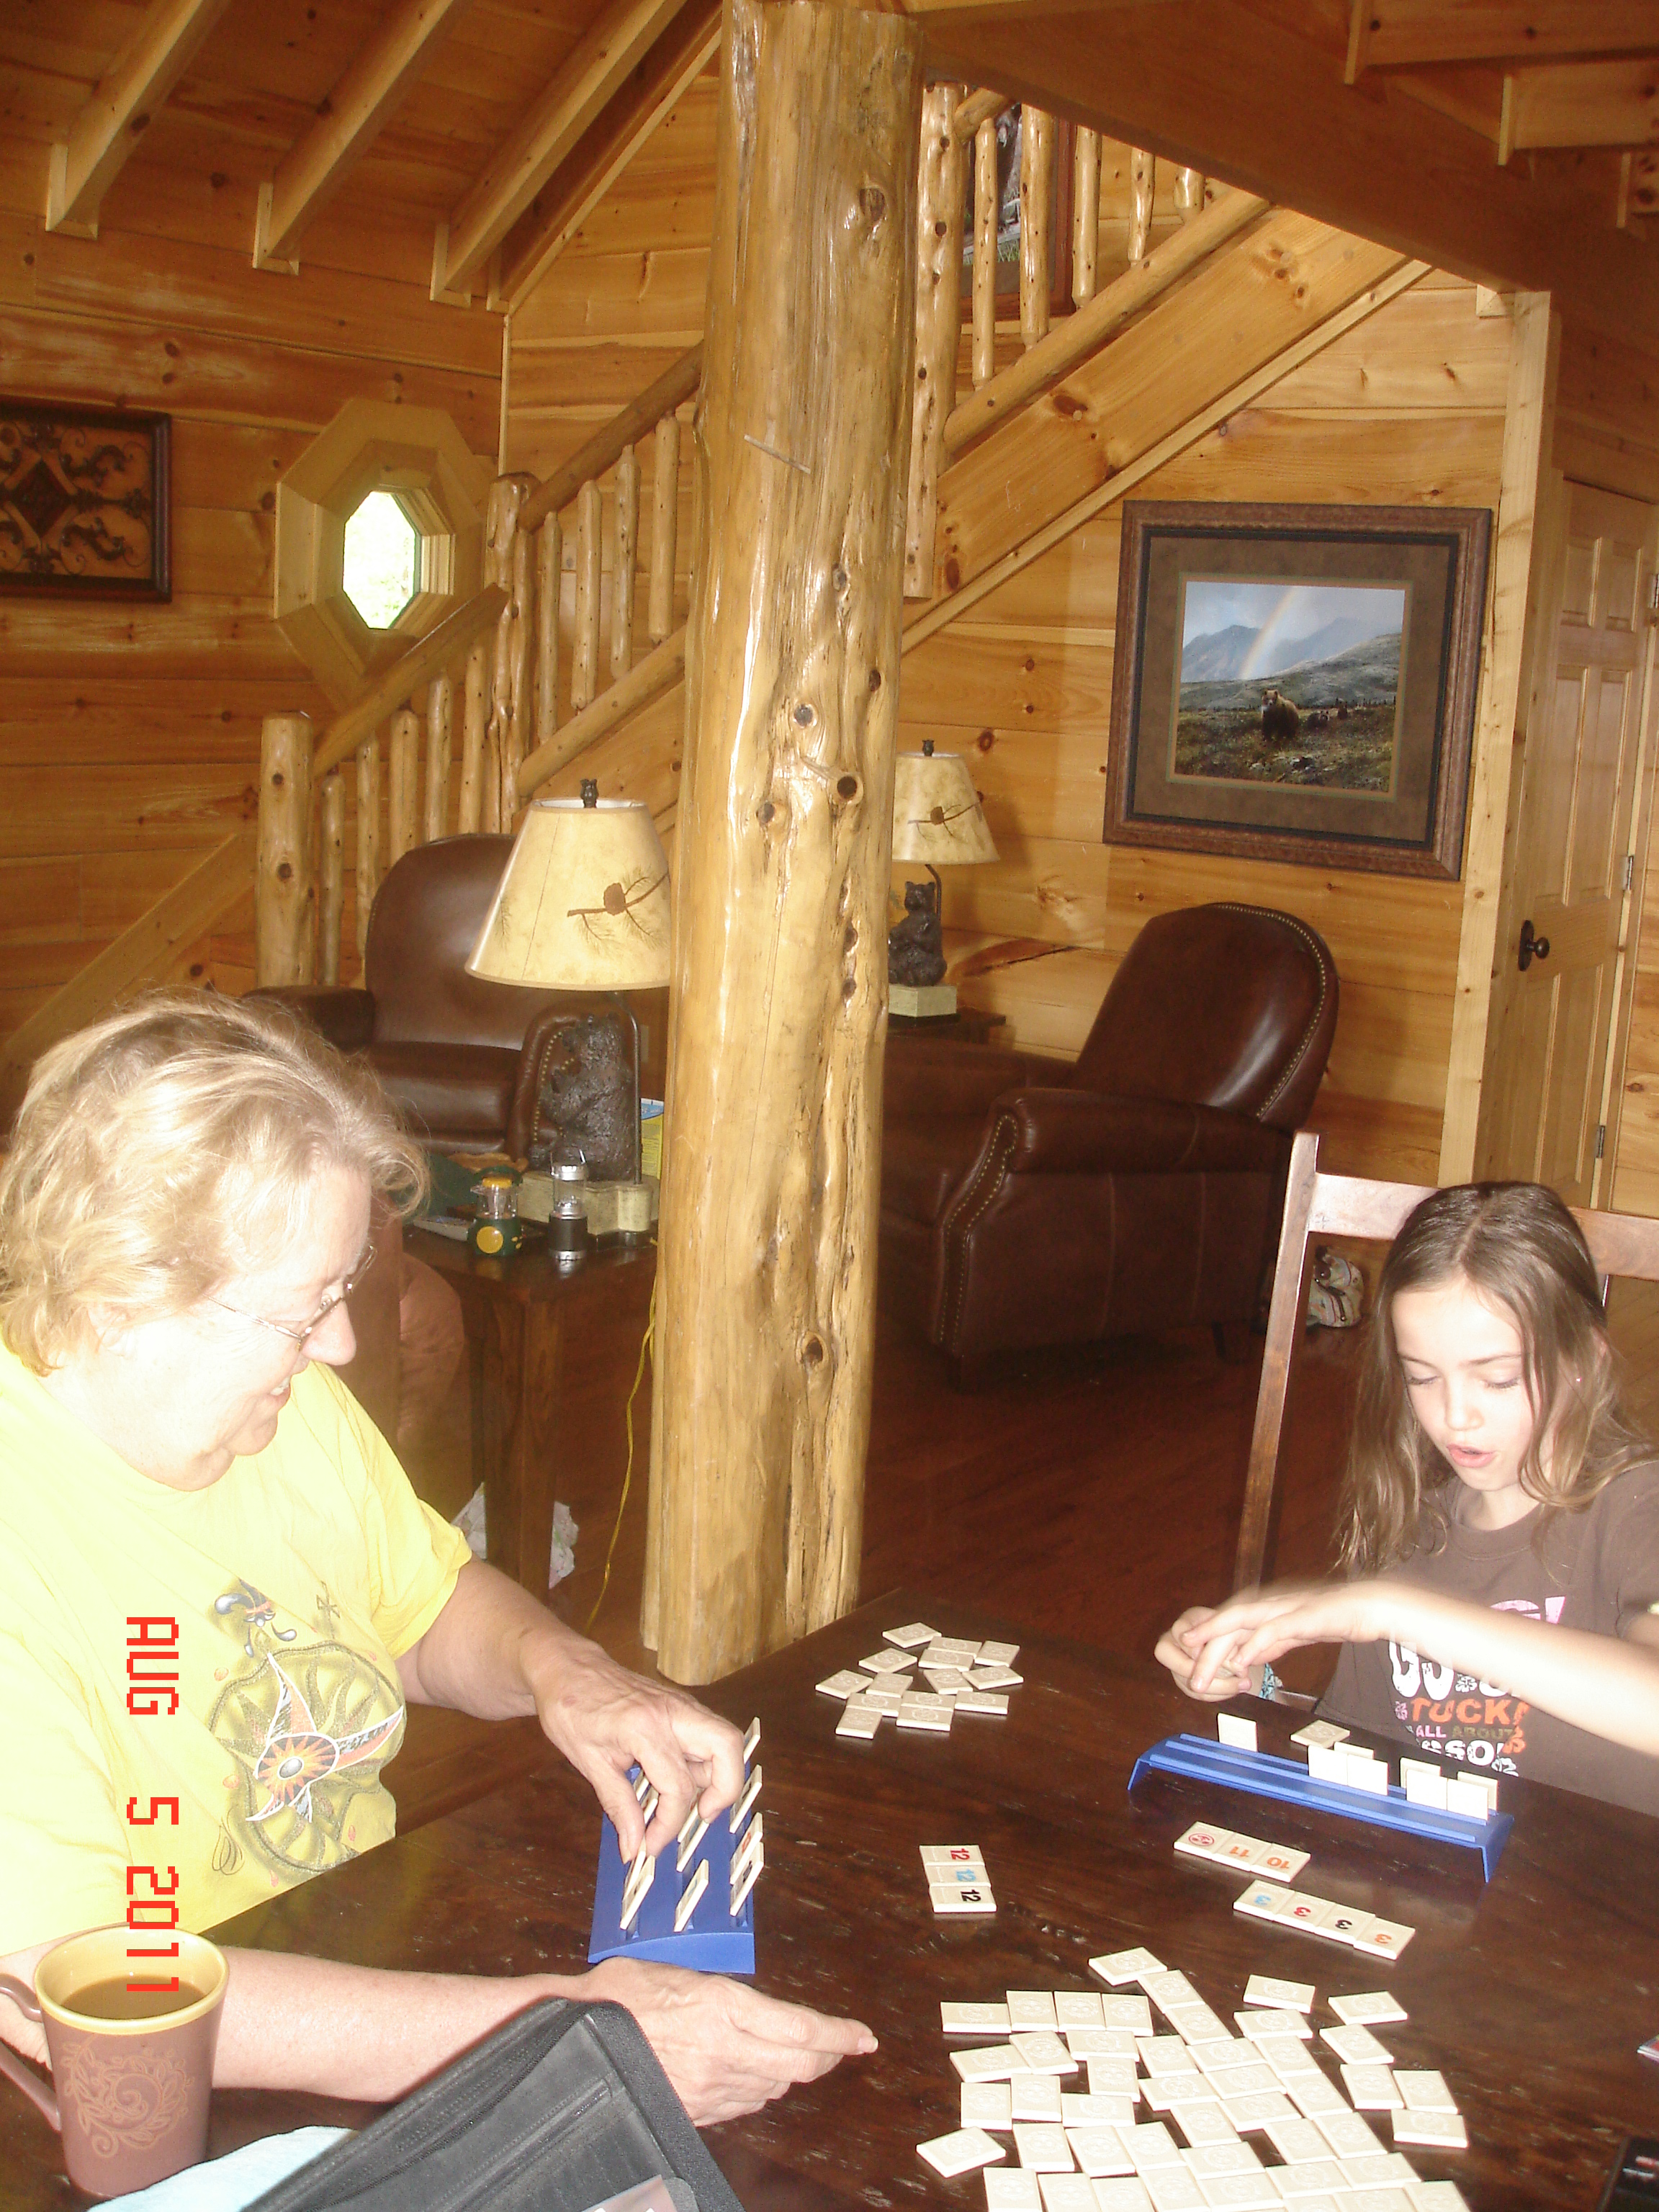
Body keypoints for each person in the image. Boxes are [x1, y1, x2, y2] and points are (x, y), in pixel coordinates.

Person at [0, 993, 873, 2123]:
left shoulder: (287, 1409)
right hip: (144, 2107)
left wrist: (569, 1674)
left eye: (342, 1289)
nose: (341, 1345)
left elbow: (421, 1605)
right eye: (300, 1310)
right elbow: (84, 1996)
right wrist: (559, 2033)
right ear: (123, 1291)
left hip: (351, 1958)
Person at [1156, 1179, 1659, 1815]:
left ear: (1585, 1358)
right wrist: (1254, 1681)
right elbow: (1362, 1746)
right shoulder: (1410, 1528)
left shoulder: (1639, 1508)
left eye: (1499, 1379)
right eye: (1422, 1377)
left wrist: (1395, 1610)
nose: (1455, 1417)